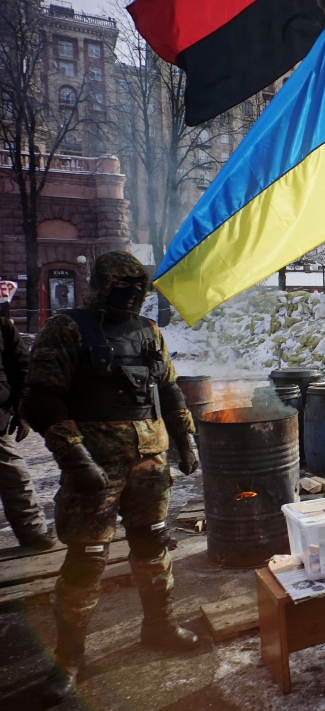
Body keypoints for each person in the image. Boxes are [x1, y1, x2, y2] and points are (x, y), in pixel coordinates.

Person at [20, 251, 201, 706]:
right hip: (94, 470)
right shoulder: (66, 329)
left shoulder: (148, 332)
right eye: (125, 289)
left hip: (148, 465)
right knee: (87, 560)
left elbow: (168, 387)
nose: (134, 298)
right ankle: (68, 659)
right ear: (103, 285)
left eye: (139, 290)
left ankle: (158, 627)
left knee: (153, 544)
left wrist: (185, 437)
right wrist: (74, 455)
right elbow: (42, 399)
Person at [0, 312, 53, 550]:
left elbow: (22, 368)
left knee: (15, 478)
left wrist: (22, 411)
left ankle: (33, 534)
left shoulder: (2, 327)